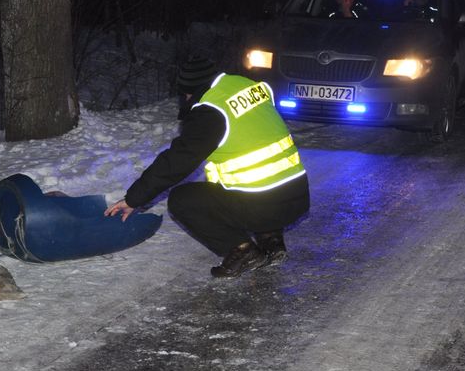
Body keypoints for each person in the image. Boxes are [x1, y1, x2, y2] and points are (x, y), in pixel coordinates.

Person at [104, 56, 310, 278]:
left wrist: (133, 199)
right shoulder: (246, 85)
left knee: (182, 199)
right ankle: (271, 240)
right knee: (256, 183)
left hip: (263, 206)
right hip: (297, 196)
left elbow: (176, 162)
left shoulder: (211, 111)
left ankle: (243, 250)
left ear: (189, 91)